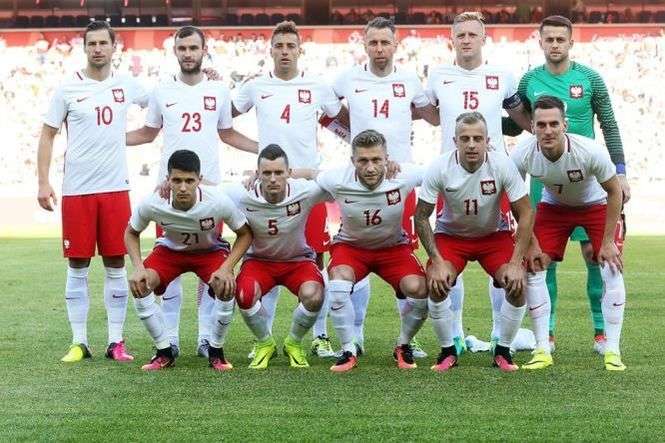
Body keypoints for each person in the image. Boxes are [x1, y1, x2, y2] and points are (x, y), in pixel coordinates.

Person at [126, 25, 257, 358]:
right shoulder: (161, 90)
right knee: (170, 258)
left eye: (193, 48)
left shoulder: (219, 89)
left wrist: (263, 148)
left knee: (207, 261)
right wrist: (109, 138)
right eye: (182, 48)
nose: (188, 54)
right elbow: (147, 133)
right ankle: (170, 337)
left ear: (204, 50)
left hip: (209, 188)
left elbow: (228, 133)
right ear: (175, 52)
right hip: (169, 189)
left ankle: (204, 336)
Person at [515, 15, 630, 353]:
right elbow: (518, 123)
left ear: (570, 42)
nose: (554, 45)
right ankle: (547, 334)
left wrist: (621, 171)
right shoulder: (529, 80)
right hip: (546, 179)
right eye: (548, 39)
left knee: (594, 254)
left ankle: (601, 333)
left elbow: (609, 124)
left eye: (560, 39)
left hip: (588, 176)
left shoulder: (590, 79)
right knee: (541, 256)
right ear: (540, 42)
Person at [232, 21, 345, 359]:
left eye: (290, 46)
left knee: (315, 258)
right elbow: (223, 122)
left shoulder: (317, 86)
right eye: (279, 46)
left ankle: (320, 336)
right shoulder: (255, 86)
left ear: (300, 50)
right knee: (266, 257)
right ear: (270, 50)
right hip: (267, 188)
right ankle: (263, 338)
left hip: (307, 190)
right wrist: (258, 151)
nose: (284, 51)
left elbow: (342, 122)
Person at [37, 21, 148, 363]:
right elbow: (47, 134)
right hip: (78, 190)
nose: (97, 48)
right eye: (92, 43)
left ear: (115, 47)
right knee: (78, 263)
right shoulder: (68, 89)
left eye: (103, 43)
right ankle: (79, 342)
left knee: (116, 263)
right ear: (84, 48)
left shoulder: (127, 85)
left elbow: (161, 107)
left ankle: (116, 342)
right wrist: (43, 181)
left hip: (116, 188)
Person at [331, 17, 439, 358]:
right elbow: (326, 111)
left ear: (396, 45)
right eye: (373, 42)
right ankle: (356, 333)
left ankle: (409, 338)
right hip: (362, 180)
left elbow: (434, 115)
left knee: (401, 259)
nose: (379, 49)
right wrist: (351, 139)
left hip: (400, 182)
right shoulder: (348, 78)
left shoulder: (409, 80)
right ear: (365, 45)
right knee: (358, 251)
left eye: (385, 42)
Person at [425, 11, 532, 354]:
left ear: (484, 39)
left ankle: (501, 334)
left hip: (494, 176)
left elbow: (520, 118)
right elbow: (430, 115)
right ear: (452, 40)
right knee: (448, 258)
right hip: (451, 175)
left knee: (499, 255)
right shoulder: (438, 75)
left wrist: (545, 134)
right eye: (461, 35)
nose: (467, 40)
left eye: (473, 34)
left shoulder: (502, 76)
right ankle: (455, 334)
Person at [510, 96, 627, 371]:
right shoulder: (522, 153)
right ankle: (542, 348)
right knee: (534, 266)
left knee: (611, 265)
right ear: (532, 126)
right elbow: (515, 198)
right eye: (541, 125)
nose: (548, 130)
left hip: (596, 205)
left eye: (554, 124)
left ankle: (612, 350)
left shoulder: (589, 151)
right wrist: (531, 243)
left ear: (565, 125)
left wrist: (608, 242)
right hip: (554, 207)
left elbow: (614, 191)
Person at [414, 112, 533, 373]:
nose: (471, 144)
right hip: (451, 237)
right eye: (465, 138)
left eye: (477, 139)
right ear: (455, 141)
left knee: (517, 284)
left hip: (493, 237)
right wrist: (436, 260)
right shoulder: (440, 167)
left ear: (487, 141)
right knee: (436, 283)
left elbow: (526, 212)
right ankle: (447, 350)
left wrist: (516, 263)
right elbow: (421, 217)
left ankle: (503, 351)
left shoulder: (502, 165)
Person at [124, 150, 253, 371]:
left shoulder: (217, 201)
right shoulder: (154, 202)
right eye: (177, 180)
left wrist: (227, 267)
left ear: (199, 180)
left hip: (209, 251)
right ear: (168, 180)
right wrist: (138, 267)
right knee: (140, 284)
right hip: (170, 252)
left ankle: (216, 351)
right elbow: (131, 232)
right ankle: (164, 352)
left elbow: (245, 233)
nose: (183, 187)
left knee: (226, 286)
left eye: (189, 181)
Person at [314, 130, 429, 372]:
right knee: (338, 287)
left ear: (387, 159)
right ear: (352, 161)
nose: (370, 168)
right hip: (351, 248)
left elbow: (442, 173)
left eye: (377, 160)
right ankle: (348, 350)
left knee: (420, 291)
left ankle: (403, 344)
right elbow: (309, 176)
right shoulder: (337, 178)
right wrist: (262, 175)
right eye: (363, 161)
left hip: (393, 249)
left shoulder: (404, 174)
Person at [226, 145, 328, 369]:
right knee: (243, 294)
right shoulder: (242, 193)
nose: (273, 179)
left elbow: (340, 184)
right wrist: (166, 184)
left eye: (279, 172)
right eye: (267, 173)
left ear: (289, 173)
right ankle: (265, 343)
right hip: (259, 262)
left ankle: (294, 343)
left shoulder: (304, 191)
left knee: (314, 295)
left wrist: (311, 172)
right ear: (257, 173)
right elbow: (206, 191)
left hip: (297, 261)